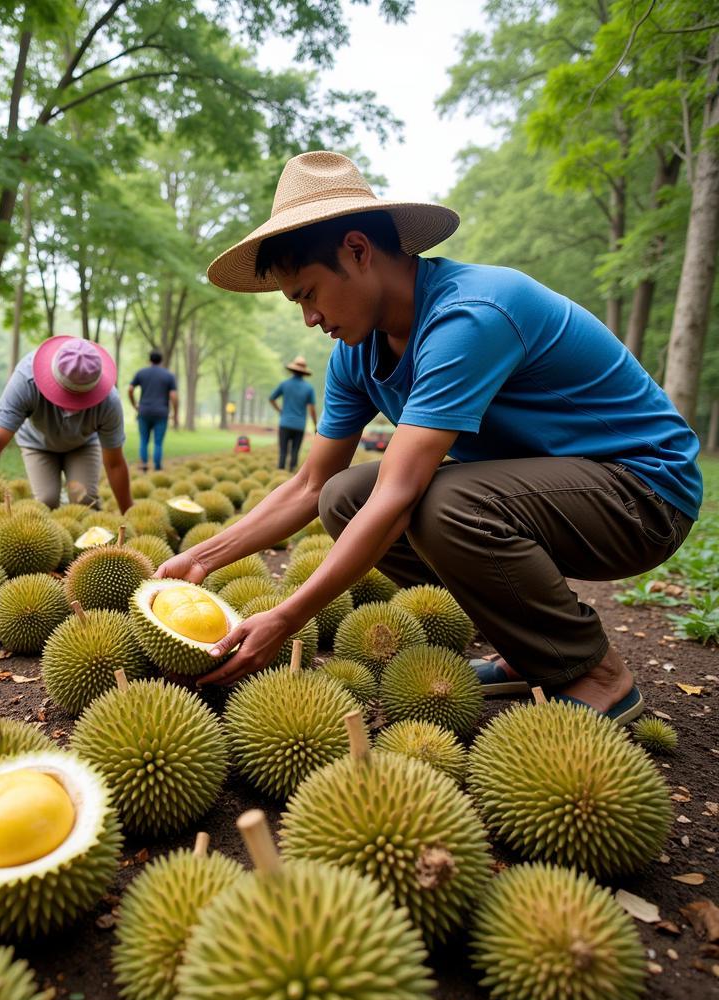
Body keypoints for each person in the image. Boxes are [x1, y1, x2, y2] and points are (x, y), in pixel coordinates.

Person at [157, 150, 702, 724]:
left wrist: (286, 617)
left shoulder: (471, 314)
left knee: (438, 502)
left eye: (308, 294)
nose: (309, 319)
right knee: (345, 496)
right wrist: (200, 557)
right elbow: (310, 483)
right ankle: (532, 648)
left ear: (358, 251)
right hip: (551, 493)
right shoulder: (354, 353)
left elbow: (399, 496)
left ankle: (599, 675)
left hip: (642, 493)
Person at [0, 335, 132, 512]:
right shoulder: (25, 380)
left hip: (83, 445)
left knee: (85, 501)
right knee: (47, 500)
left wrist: (129, 511)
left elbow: (115, 463)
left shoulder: (109, 402)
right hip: (37, 443)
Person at [128, 350, 178, 472]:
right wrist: (175, 414)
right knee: (158, 442)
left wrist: (135, 405)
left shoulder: (141, 373)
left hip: (144, 411)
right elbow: (173, 396)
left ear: (149, 360)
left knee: (144, 440)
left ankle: (144, 465)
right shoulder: (168, 375)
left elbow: (130, 389)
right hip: (161, 412)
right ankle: (157, 467)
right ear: (161, 361)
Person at [269, 354, 317, 470]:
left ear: (292, 370)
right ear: (304, 372)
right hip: (299, 425)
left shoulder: (285, 384)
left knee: (283, 451)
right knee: (295, 451)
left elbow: (271, 398)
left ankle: (280, 472)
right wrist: (315, 425)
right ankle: (292, 472)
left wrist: (280, 410)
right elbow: (312, 409)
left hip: (285, 423)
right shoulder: (309, 388)